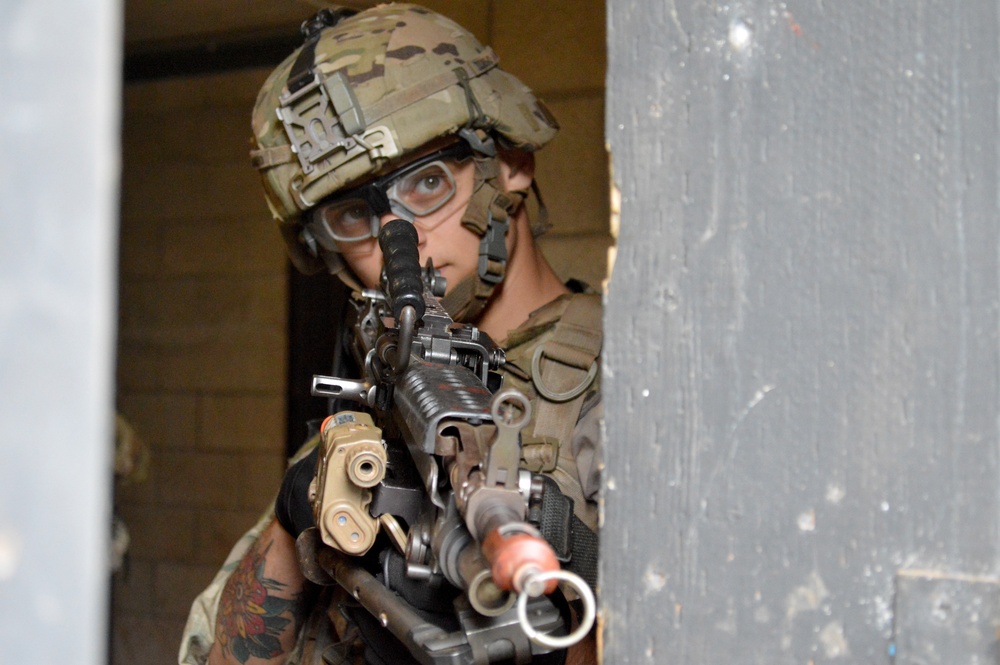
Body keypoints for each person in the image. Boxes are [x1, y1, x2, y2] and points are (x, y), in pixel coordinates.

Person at [179, 4, 601, 664]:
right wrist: (296, 524)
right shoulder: (362, 424)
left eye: (428, 183)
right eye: (353, 213)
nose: (397, 237)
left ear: (511, 161)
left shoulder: (634, 389)